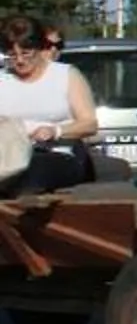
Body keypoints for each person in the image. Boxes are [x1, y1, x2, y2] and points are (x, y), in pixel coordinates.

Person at [1, 16, 99, 195]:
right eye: (12, 55)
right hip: (8, 157)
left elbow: (89, 123)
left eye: (26, 53)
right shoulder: (3, 80)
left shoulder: (65, 75)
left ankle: (25, 208)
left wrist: (56, 131)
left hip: (55, 155)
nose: (20, 61)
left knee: (35, 170)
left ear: (39, 48)